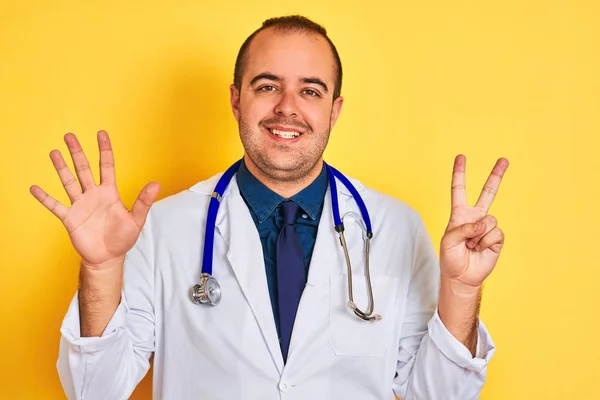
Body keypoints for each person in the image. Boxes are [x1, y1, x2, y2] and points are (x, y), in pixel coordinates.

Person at [30, 15, 509, 400]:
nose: (287, 107)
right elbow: (94, 391)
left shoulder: (395, 227)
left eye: (310, 90)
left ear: (334, 111)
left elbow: (440, 395)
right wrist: (101, 268)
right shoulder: (162, 227)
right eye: (266, 86)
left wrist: (462, 293)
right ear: (236, 101)